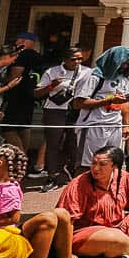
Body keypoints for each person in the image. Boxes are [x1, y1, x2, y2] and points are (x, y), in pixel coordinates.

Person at [0, 143, 84, 258]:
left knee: (61, 214)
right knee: (47, 219)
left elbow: (13, 219)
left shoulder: (8, 188)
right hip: (3, 235)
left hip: (7, 231)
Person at [56, 145, 129, 258]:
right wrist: (67, 254)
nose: (96, 168)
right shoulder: (78, 185)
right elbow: (66, 221)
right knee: (117, 238)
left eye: (102, 164)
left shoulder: (123, 176)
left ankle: (123, 253)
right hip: (84, 233)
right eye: (93, 163)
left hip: (117, 225)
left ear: (114, 166)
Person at [71, 46, 129, 170]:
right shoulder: (93, 75)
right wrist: (108, 100)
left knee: (113, 163)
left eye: (128, 64)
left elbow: (125, 101)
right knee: (89, 164)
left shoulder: (124, 77)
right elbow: (78, 103)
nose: (125, 66)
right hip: (94, 125)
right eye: (123, 63)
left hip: (114, 126)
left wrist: (126, 124)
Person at [35, 46, 90, 192]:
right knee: (53, 143)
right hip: (55, 110)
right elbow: (37, 93)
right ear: (65, 59)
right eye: (73, 59)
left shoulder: (87, 72)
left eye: (80, 58)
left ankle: (71, 174)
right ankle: (52, 176)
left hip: (76, 111)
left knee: (74, 144)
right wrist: (51, 86)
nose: (77, 62)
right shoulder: (52, 71)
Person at [0, 33, 43, 157]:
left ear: (28, 41)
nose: (17, 43)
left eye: (20, 40)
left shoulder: (22, 55)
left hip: (16, 95)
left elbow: (15, 75)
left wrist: (2, 82)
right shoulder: (38, 57)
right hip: (31, 96)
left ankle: (20, 158)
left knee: (8, 128)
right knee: (24, 127)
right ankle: (24, 159)